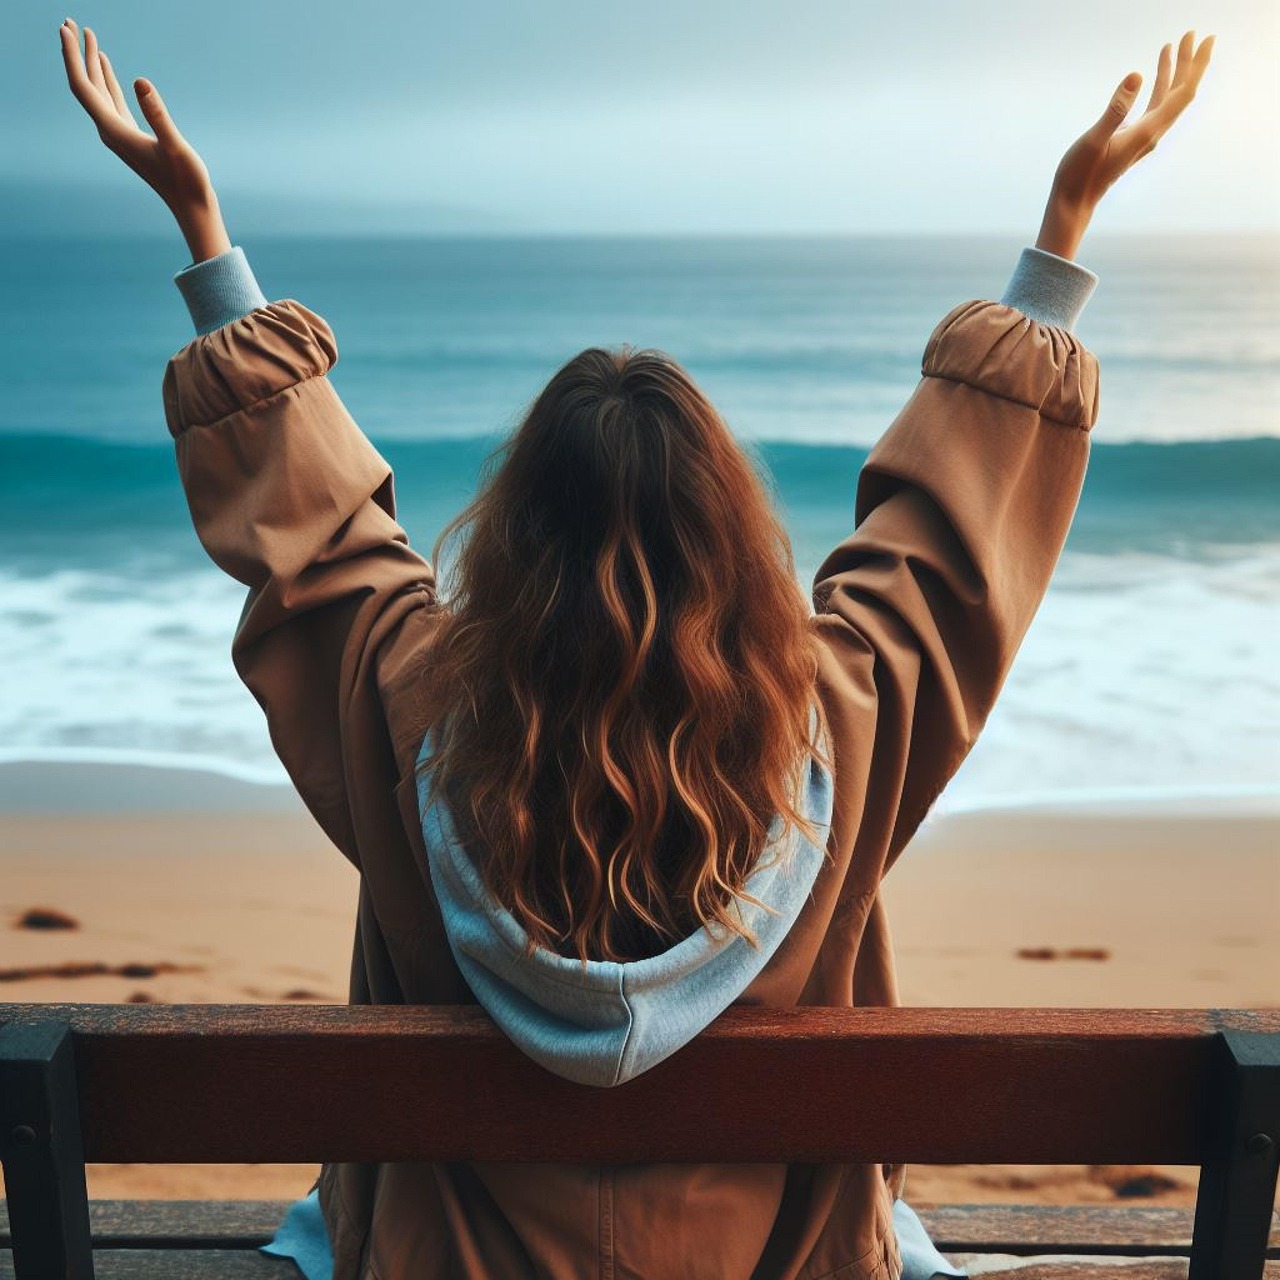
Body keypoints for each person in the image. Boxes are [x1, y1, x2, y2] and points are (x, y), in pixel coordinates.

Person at [59, 17, 1213, 1280]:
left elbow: (319, 539)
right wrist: (1063, 220)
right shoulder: (839, 709)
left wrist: (203, 230)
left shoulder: (407, 697)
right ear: (732, 543)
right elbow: (946, 544)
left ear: (513, 541)